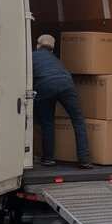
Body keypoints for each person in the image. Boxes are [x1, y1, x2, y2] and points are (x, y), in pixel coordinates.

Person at [32, 34, 92, 169]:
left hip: (45, 86)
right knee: (78, 121)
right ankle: (84, 159)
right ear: (52, 49)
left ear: (37, 45)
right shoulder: (56, 59)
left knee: (47, 122)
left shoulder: (32, 56)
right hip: (67, 84)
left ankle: (48, 158)